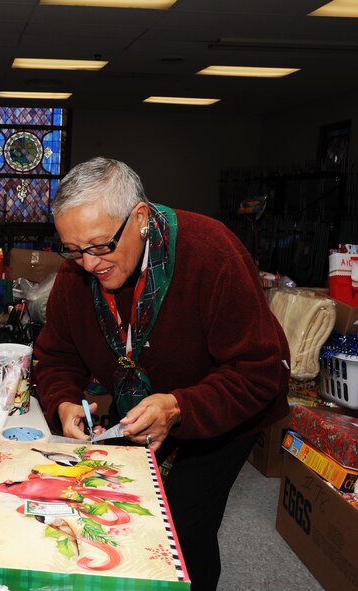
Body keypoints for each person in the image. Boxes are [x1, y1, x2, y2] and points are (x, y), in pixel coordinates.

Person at [33, 157, 290, 591]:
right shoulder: (77, 271)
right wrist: (62, 401)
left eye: (99, 246)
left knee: (184, 529)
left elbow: (261, 371)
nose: (89, 264)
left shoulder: (212, 253)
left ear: (140, 217)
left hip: (223, 410)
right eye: (73, 250)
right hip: (137, 410)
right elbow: (56, 356)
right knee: (122, 514)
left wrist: (179, 406)